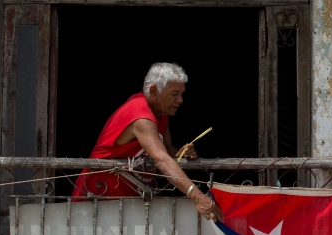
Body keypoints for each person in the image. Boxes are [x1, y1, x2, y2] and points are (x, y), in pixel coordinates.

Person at [73, 62, 223, 221]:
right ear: (153, 91)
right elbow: (161, 158)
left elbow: (167, 149)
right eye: (174, 94)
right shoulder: (140, 114)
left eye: (181, 93)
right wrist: (197, 196)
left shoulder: (161, 113)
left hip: (128, 204)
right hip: (96, 201)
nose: (180, 100)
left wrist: (180, 154)